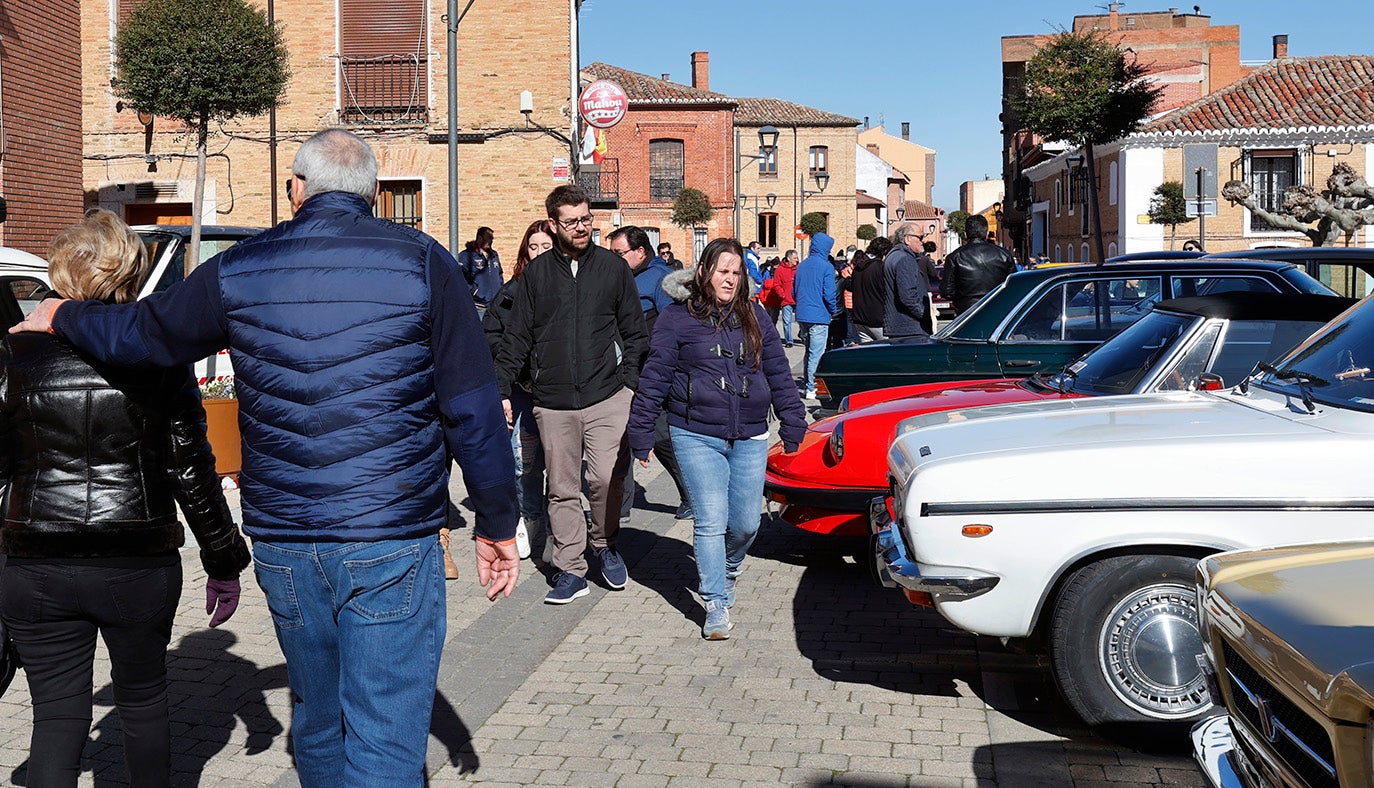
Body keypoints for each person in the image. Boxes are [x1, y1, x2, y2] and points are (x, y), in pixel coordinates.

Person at [11, 129, 520, 787]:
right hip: (389, 532)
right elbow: (473, 408)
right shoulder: (423, 261)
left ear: (295, 189)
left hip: (285, 538)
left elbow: (144, 335)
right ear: (372, 194)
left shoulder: (241, 267)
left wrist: (62, 317)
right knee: (386, 730)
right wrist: (498, 521)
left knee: (318, 716)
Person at [0, 209, 251, 787]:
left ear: (60, 276)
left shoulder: (13, 358)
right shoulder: (158, 361)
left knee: (57, 717)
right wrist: (224, 561)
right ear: (130, 275)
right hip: (136, 559)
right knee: (142, 701)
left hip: (36, 562)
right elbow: (192, 469)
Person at [627, 239, 806, 639]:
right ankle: (715, 602)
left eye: (736, 271)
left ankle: (727, 568)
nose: (729, 278)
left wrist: (794, 423)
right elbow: (654, 376)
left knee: (743, 524)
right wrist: (640, 433)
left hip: (750, 433)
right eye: (722, 270)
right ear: (704, 272)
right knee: (710, 519)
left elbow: (778, 372)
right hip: (694, 432)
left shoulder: (755, 316)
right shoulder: (676, 318)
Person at [495, 184, 648, 605]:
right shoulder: (537, 276)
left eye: (586, 219)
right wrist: (502, 389)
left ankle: (603, 543)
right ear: (552, 224)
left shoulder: (613, 270)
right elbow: (517, 338)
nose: (582, 228)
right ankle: (571, 568)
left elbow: (636, 333)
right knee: (561, 488)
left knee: (603, 478)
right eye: (572, 222)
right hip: (553, 401)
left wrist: (630, 383)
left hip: (607, 394)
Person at [484, 219, 556, 563]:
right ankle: (527, 518)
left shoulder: (571, 290)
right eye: (534, 247)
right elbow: (491, 337)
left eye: (546, 246)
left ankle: (555, 523)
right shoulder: (510, 293)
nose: (540, 253)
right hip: (521, 390)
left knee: (559, 463)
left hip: (559, 393)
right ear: (524, 252)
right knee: (523, 463)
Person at [607, 225, 691, 521]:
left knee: (657, 433)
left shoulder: (660, 278)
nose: (614, 259)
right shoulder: (624, 276)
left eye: (619, 253)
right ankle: (622, 506)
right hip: (622, 368)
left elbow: (671, 327)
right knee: (622, 436)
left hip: (649, 370)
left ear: (640, 252)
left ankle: (691, 493)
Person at [942, 213, 1016, 315]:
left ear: (966, 233)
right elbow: (1013, 286)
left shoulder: (955, 257)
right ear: (986, 232)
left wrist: (961, 299)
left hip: (967, 312)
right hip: (998, 309)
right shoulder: (1004, 255)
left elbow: (947, 291)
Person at [793, 231, 837, 399]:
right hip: (819, 315)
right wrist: (833, 310)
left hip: (803, 314)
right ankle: (812, 387)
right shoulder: (826, 267)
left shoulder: (802, 265)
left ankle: (808, 383)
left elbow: (794, 290)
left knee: (808, 352)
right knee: (816, 353)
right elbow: (829, 294)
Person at [883, 223, 931, 341]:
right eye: (920, 237)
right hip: (910, 329)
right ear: (907, 239)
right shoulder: (905, 259)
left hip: (899, 327)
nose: (923, 241)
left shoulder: (893, 256)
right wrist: (924, 315)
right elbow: (908, 297)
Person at [849, 236, 892, 342]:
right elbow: (887, 292)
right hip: (878, 319)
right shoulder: (880, 267)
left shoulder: (858, 268)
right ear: (885, 252)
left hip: (860, 318)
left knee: (868, 355)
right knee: (887, 354)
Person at [458, 225, 503, 314]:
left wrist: (500, 291)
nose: (491, 241)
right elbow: (461, 279)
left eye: (492, 239)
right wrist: (475, 291)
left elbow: (500, 275)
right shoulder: (467, 256)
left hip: (494, 307)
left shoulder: (494, 255)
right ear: (480, 238)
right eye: (488, 238)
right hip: (478, 308)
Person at [773, 249, 799, 347]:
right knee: (787, 322)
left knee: (801, 320)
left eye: (797, 258)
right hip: (786, 300)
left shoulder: (799, 268)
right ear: (788, 258)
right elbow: (776, 284)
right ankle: (789, 340)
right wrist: (782, 295)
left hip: (798, 299)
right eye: (794, 258)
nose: (796, 260)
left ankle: (803, 335)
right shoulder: (780, 269)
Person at [919, 241, 942, 335]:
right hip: (925, 289)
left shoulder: (910, 258)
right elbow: (933, 273)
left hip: (914, 289)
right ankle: (931, 332)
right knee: (929, 314)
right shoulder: (925, 260)